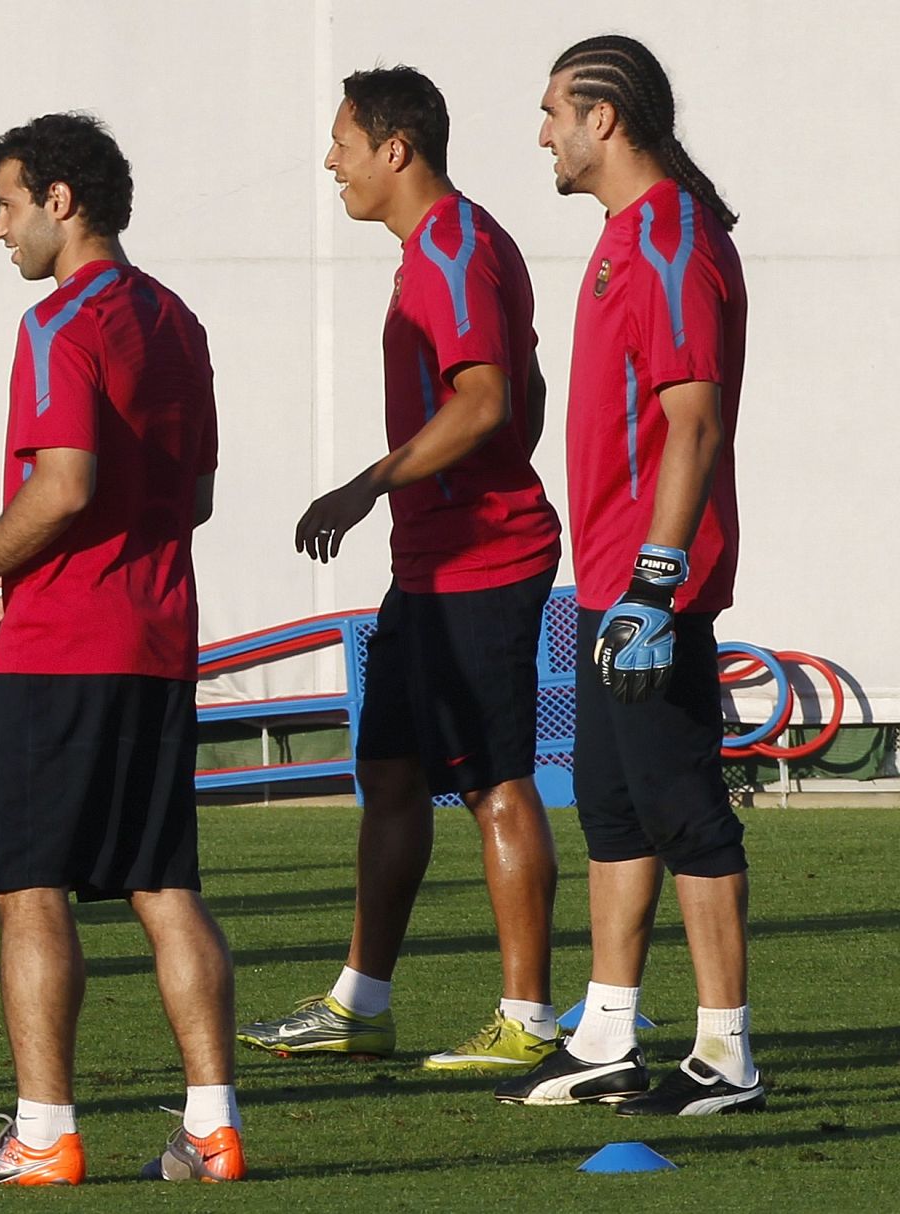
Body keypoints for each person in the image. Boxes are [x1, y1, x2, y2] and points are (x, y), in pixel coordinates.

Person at [0, 112, 242, 1185]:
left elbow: (63, 485)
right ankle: (213, 1128)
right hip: (154, 639)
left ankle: (44, 1133)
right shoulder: (176, 320)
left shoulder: (60, 322)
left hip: (63, 652)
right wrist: (40, 577)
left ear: (60, 202)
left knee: (30, 886)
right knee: (162, 884)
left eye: (7, 203)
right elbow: (193, 495)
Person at [238, 67, 564, 1076]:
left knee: (495, 783)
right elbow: (526, 384)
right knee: (389, 773)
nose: (329, 161)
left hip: (482, 562)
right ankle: (360, 1004)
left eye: (342, 143)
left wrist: (367, 484)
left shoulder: (453, 249)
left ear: (395, 148)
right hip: (429, 565)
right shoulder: (440, 248)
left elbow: (487, 398)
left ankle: (528, 1019)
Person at [495, 34, 761, 1115]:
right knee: (609, 807)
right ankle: (606, 1035)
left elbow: (692, 422)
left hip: (654, 588)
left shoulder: (671, 239)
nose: (542, 134)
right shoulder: (624, 236)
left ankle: (726, 1055)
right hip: (609, 580)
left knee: (683, 808)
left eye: (552, 111)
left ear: (601, 117)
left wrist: (655, 582)